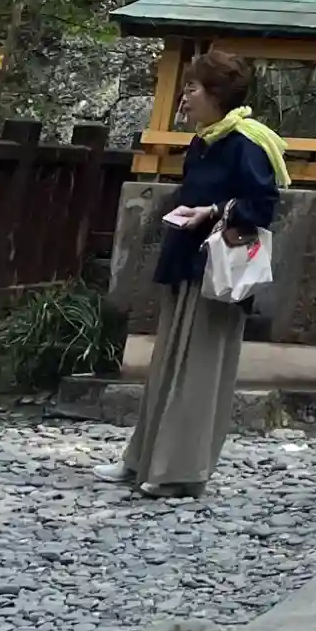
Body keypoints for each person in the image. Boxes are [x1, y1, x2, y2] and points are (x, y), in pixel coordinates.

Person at [99, 50, 287, 500]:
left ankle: (180, 471)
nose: (185, 97)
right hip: (188, 259)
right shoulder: (204, 140)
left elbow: (263, 204)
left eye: (192, 88)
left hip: (219, 269)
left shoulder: (247, 142)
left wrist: (215, 211)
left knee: (199, 370)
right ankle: (144, 458)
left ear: (217, 94)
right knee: (168, 363)